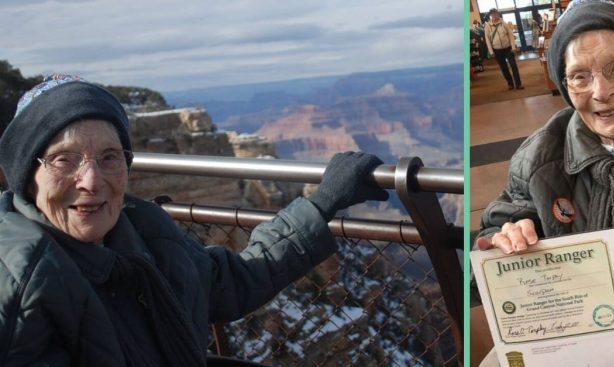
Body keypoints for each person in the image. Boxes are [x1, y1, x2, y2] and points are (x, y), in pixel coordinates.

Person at [0, 74, 389, 366]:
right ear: (27, 176)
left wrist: (320, 205)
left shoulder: (143, 232)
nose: (91, 181)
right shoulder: (19, 286)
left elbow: (230, 281)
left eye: (109, 157)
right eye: (63, 159)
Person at [475, 1, 614, 365]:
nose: (602, 91)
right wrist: (506, 235)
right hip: (575, 329)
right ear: (565, 87)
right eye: (581, 76)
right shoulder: (539, 157)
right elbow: (493, 231)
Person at [484, 8, 523, 90]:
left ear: (498, 14)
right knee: (503, 68)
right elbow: (487, 39)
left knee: (513, 66)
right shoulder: (488, 26)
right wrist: (491, 51)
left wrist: (513, 47)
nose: (494, 16)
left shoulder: (504, 23)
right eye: (493, 14)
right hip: (497, 50)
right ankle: (510, 84)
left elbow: (510, 35)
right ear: (491, 16)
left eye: (496, 14)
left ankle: (518, 84)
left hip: (508, 48)